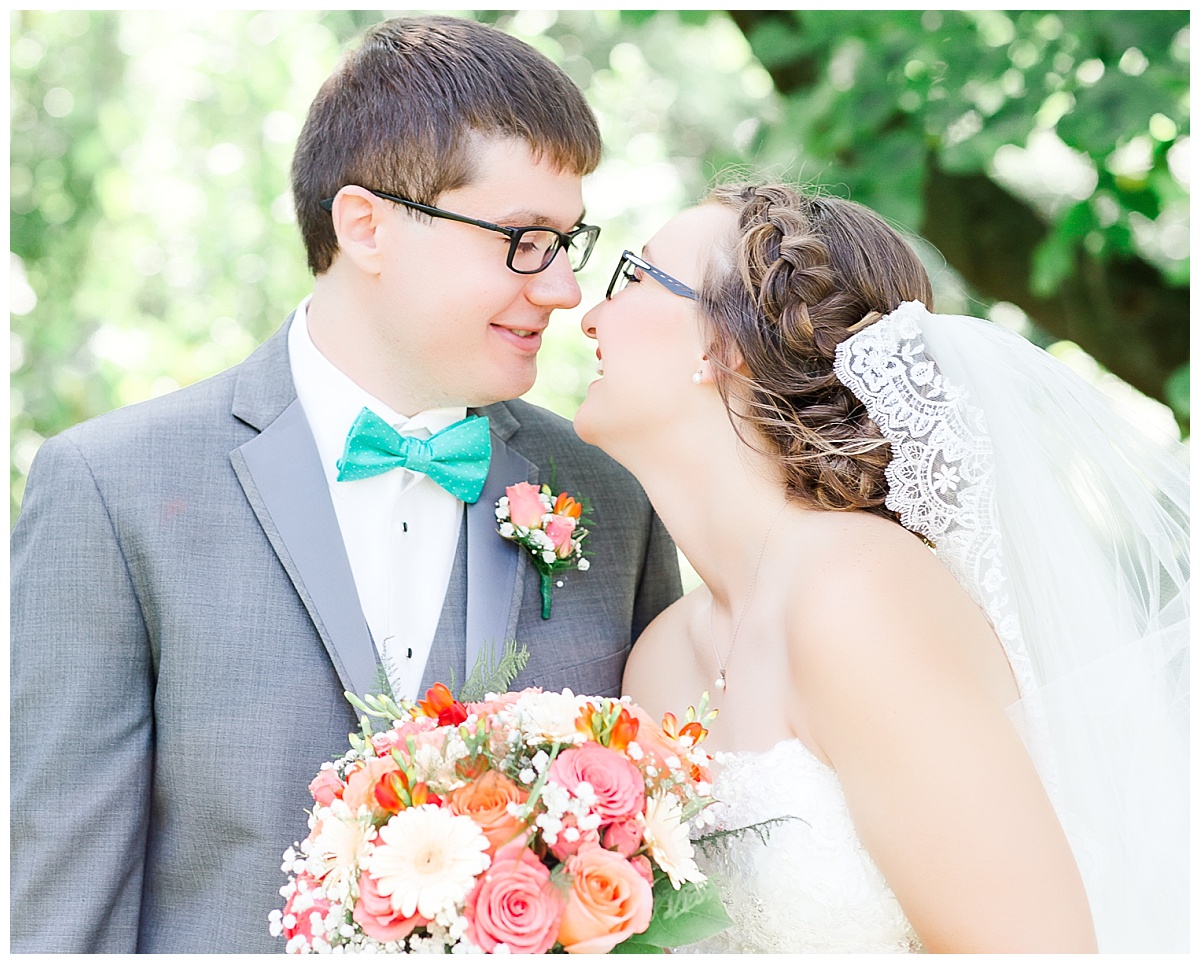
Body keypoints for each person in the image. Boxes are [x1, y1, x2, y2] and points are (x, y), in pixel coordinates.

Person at [10, 15, 681, 953]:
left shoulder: (614, 495)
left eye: (570, 239)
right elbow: (62, 903)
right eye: (525, 238)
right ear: (367, 226)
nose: (564, 288)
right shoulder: (112, 490)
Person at [576, 182, 1188, 952]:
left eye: (634, 275)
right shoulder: (660, 657)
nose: (588, 312)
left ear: (722, 345)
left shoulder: (853, 592)